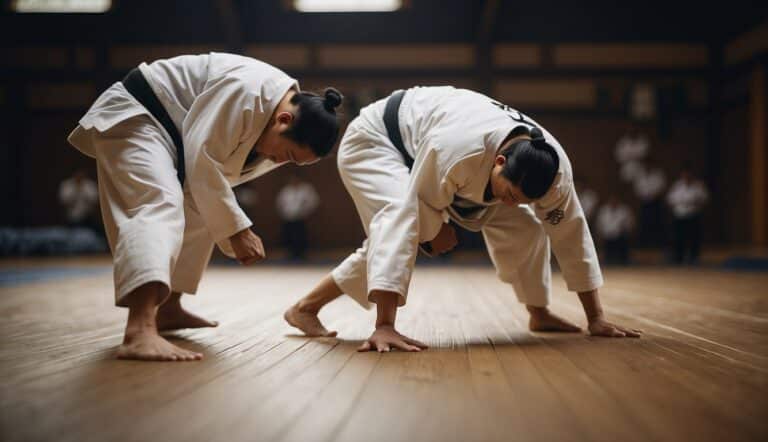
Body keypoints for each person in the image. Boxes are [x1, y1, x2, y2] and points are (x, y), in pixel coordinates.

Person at [284, 86, 641, 351]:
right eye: (512, 194)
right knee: (399, 222)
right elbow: (411, 212)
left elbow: (572, 234)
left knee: (526, 226)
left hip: (430, 151)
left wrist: (595, 318)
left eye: (524, 198)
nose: (513, 203)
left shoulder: (554, 173)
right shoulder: (458, 148)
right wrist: (433, 233)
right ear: (500, 162)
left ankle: (538, 311)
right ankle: (348, 316)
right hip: (378, 141)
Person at [67, 52, 343, 361]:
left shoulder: (273, 109)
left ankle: (168, 309)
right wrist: (238, 228)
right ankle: (139, 331)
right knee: (158, 205)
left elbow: (208, 179)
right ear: (284, 120)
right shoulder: (248, 90)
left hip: (175, 138)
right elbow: (202, 159)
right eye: (288, 155)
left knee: (199, 213)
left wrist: (228, 222)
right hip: (140, 116)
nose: (279, 162)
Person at [667, 167, 709, 264]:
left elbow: (704, 199)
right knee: (678, 238)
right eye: (684, 174)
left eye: (688, 174)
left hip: (693, 215)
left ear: (691, 175)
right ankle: (678, 258)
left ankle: (694, 258)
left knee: (693, 238)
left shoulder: (699, 186)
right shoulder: (677, 186)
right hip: (680, 215)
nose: (686, 176)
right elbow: (670, 200)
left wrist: (693, 202)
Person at [275, 174, 320, 260]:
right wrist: (284, 213)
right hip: (288, 217)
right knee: (289, 236)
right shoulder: (286, 190)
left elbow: (314, 201)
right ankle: (290, 254)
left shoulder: (306, 189)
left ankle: (302, 254)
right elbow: (280, 203)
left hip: (301, 217)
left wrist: (306, 211)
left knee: (301, 236)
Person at [632, 160, 667, 247]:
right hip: (644, 203)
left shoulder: (658, 175)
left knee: (657, 224)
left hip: (656, 203)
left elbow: (662, 188)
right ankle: (645, 245)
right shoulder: (640, 177)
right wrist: (645, 196)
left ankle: (659, 245)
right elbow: (637, 190)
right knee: (645, 225)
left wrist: (653, 195)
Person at [596, 195, 634, 265]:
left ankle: (624, 261)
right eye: (611, 201)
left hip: (620, 237)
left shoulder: (624, 210)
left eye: (615, 200)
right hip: (607, 237)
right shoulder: (603, 210)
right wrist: (600, 235)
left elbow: (630, 224)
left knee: (623, 241)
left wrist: (624, 230)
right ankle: (608, 260)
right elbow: (599, 225)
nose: (613, 202)